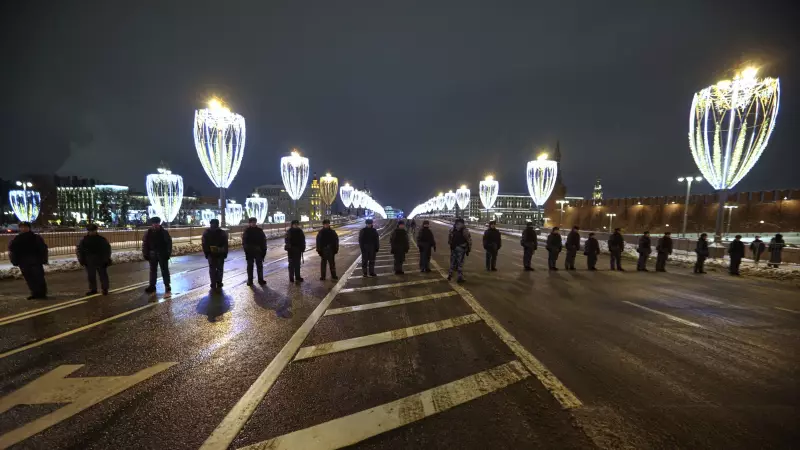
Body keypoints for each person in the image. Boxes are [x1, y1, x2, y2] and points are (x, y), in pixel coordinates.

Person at [8, 221, 48, 300]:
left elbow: (43, 249)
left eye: (25, 227)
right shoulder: (17, 239)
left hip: (35, 261)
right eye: (21, 227)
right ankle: (34, 293)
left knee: (38, 277)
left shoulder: (35, 237)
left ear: (29, 228)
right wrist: (15, 260)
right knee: (29, 278)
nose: (23, 229)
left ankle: (42, 293)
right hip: (23, 262)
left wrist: (43, 259)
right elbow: (12, 250)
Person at [76, 223, 111, 295]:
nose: (92, 232)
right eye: (90, 230)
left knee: (102, 275)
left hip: (100, 260)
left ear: (96, 230)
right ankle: (93, 289)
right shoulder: (84, 240)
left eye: (93, 230)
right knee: (91, 276)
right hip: (89, 260)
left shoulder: (101, 239)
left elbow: (107, 250)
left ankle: (105, 289)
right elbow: (79, 250)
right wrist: (81, 259)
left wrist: (106, 259)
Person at [142, 217, 172, 298]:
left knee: (164, 270)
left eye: (157, 223)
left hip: (162, 254)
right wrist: (145, 254)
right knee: (153, 271)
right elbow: (145, 244)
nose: (155, 225)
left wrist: (168, 253)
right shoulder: (148, 233)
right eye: (154, 224)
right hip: (152, 255)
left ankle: (167, 285)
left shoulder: (164, 232)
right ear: (152, 224)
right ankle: (152, 286)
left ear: (159, 223)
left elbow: (169, 243)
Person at [202, 219, 228, 290]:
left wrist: (207, 253)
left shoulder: (206, 232)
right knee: (220, 269)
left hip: (211, 254)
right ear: (218, 224)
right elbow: (225, 244)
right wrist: (225, 253)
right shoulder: (222, 232)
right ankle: (219, 282)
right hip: (220, 253)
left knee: (212, 269)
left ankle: (213, 283)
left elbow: (204, 244)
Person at [242, 217, 267, 286]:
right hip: (250, 251)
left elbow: (264, 241)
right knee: (250, 266)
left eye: (254, 222)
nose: (253, 223)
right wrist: (246, 249)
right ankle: (250, 280)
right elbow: (244, 242)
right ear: (249, 223)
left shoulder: (259, 231)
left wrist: (264, 250)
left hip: (258, 251)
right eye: (252, 222)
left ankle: (260, 279)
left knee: (259, 266)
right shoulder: (247, 231)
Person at [448, 218, 471, 282]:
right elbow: (469, 240)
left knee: (452, 262)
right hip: (461, 248)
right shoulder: (465, 230)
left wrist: (451, 246)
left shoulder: (452, 229)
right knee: (460, 263)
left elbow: (449, 240)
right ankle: (459, 277)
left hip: (454, 248)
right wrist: (469, 249)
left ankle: (450, 274)